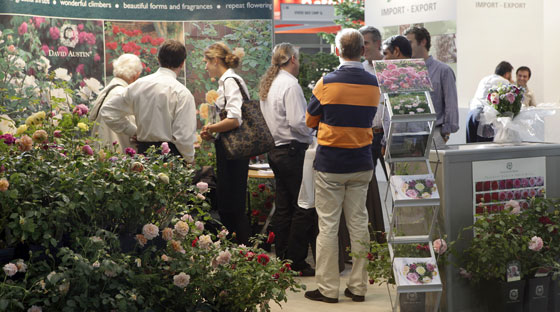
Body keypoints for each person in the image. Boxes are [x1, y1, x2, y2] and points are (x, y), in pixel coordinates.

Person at [304, 28, 380, 304]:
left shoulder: (326, 83)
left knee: (328, 226)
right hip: (361, 162)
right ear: (363, 51)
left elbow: (310, 121)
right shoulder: (374, 84)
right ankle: (358, 287)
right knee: (359, 224)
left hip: (331, 164)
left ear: (337, 51)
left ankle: (327, 289)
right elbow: (373, 119)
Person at [258, 42, 314, 275]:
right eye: (298, 59)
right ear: (292, 59)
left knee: (283, 207)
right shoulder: (290, 85)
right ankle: (296, 261)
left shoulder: (270, 84)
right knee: (302, 206)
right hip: (292, 151)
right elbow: (298, 122)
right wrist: (314, 132)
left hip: (276, 151)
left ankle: (282, 256)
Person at [200, 42, 251, 245]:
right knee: (230, 204)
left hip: (234, 153)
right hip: (230, 150)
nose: (205, 67)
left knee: (232, 205)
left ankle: (242, 252)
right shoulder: (226, 81)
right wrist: (213, 133)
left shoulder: (230, 80)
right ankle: (239, 252)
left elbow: (235, 119)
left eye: (206, 62)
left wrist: (212, 128)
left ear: (215, 60)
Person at [404, 26, 459, 146]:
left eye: (410, 42)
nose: (407, 47)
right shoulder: (405, 71)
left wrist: (445, 133)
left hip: (434, 134)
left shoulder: (443, 70)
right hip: (408, 136)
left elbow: (451, 104)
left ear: (423, 42)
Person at [359, 25, 386, 244]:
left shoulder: (389, 68)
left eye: (366, 43)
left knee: (395, 187)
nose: (362, 48)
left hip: (388, 135)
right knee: (367, 188)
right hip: (366, 136)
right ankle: (373, 237)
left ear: (377, 43)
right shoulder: (359, 69)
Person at [90, 54, 142, 153]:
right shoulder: (123, 93)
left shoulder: (106, 90)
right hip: (115, 155)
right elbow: (133, 128)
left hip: (101, 151)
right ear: (136, 76)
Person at [466, 61, 513, 143]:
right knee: (485, 151)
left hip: (471, 114)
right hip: (484, 118)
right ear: (507, 74)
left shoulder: (484, 79)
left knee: (470, 149)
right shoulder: (505, 82)